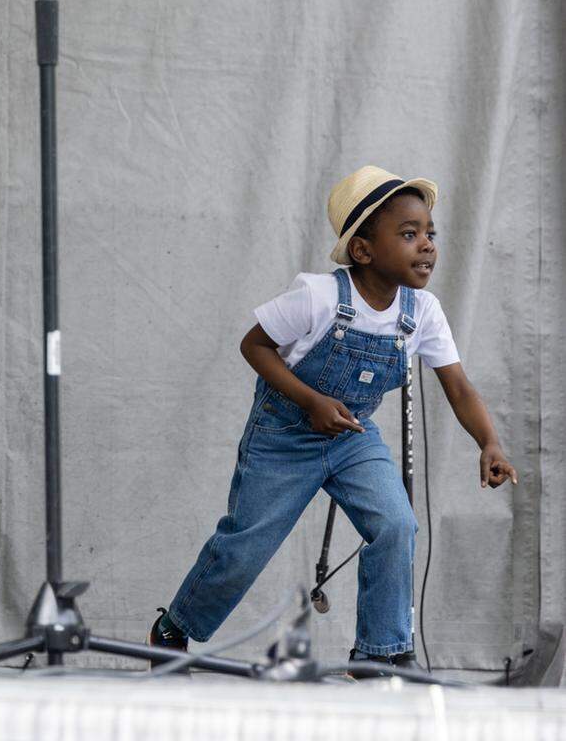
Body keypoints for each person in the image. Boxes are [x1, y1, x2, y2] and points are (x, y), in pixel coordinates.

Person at [148, 166, 517, 672]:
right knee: (247, 543)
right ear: (363, 250)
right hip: (284, 435)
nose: (427, 245)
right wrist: (310, 402)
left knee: (395, 524)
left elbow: (458, 386)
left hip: (353, 438)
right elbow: (254, 346)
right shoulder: (319, 297)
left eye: (431, 233)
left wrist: (489, 442)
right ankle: (176, 627)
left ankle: (379, 654)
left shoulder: (423, 312)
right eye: (409, 234)